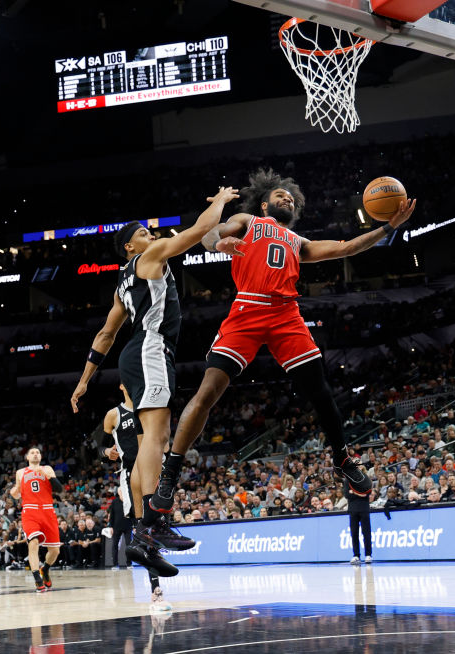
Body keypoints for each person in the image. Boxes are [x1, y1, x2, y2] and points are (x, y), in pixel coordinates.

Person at [148, 169, 416, 520]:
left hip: (286, 313)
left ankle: (343, 460)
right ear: (264, 204)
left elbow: (347, 247)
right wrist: (218, 243)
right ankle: (170, 475)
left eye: (291, 197)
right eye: (280, 195)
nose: (287, 198)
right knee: (209, 391)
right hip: (248, 307)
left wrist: (388, 227)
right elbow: (210, 233)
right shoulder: (248, 220)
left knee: (319, 390)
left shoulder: (298, 241)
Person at [70, 187, 239, 554]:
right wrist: (220, 202)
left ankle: (145, 529)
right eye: (143, 233)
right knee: (156, 438)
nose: (151, 236)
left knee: (152, 439)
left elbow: (105, 334)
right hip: (150, 349)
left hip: (136, 354)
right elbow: (199, 231)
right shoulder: (150, 256)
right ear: (129, 247)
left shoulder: (122, 284)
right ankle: (153, 522)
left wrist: (84, 381)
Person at [96, 385, 176, 608]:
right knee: (144, 527)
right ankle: (156, 590)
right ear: (122, 385)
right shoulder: (114, 415)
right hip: (132, 473)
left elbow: (165, 441)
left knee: (156, 526)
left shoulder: (151, 410)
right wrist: (106, 453)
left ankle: (156, 581)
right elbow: (100, 449)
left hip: (155, 470)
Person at [9, 447, 64, 593]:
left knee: (55, 550)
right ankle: (37, 579)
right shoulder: (20, 472)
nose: (35, 454)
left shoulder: (47, 469)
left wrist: (50, 476)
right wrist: (14, 492)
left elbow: (59, 490)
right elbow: (17, 493)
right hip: (30, 511)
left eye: (38, 452)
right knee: (33, 543)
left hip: (47, 510)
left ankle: (44, 569)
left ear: (41, 456)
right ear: (27, 457)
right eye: (32, 452)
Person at [346, 484, 373, 566]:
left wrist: (353, 492)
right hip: (352, 510)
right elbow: (347, 494)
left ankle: (368, 555)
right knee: (354, 534)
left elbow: (366, 493)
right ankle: (356, 555)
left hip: (364, 509)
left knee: (366, 533)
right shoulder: (348, 480)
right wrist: (359, 493)